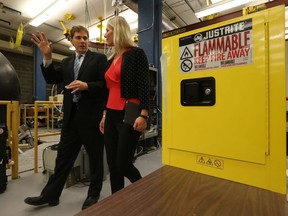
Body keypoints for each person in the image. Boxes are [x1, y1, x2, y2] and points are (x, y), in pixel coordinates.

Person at [24, 25, 108, 210]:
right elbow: (52, 78)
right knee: (63, 159)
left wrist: (88, 86)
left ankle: (93, 194)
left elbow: (106, 85)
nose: (83, 41)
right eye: (78, 37)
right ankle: (50, 195)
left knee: (95, 158)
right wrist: (47, 57)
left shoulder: (99, 59)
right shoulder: (67, 63)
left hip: (92, 118)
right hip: (71, 118)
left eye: (85, 37)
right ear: (71, 40)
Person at [99, 16, 150, 194]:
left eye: (107, 30)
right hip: (111, 113)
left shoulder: (136, 54)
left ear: (118, 30)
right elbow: (108, 91)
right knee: (113, 165)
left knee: (123, 164)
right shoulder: (109, 60)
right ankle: (117, 202)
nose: (105, 34)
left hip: (130, 112)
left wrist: (143, 114)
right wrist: (105, 115)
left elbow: (144, 85)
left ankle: (145, 192)